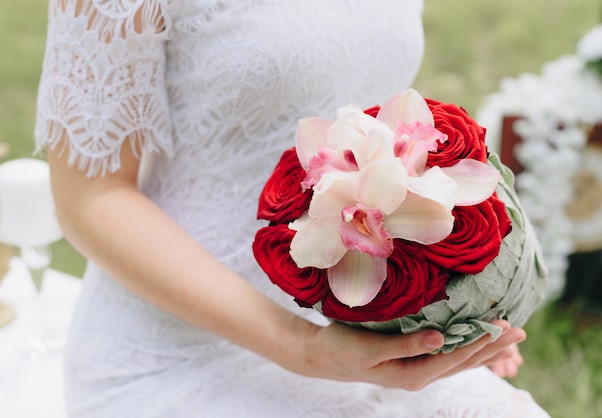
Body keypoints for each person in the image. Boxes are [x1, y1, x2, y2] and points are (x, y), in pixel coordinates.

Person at [36, 0, 550, 416]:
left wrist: (455, 309)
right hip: (173, 350)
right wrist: (300, 348)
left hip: (357, 333)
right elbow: (90, 197)